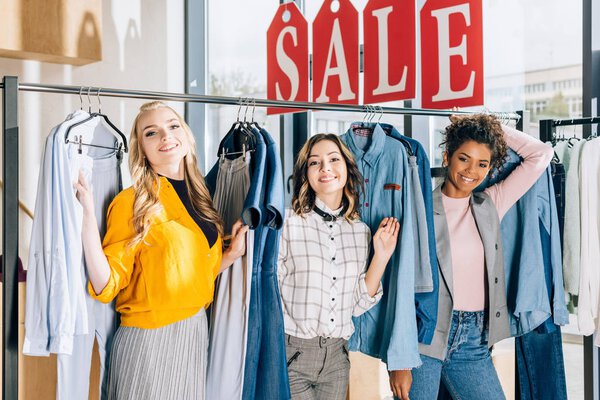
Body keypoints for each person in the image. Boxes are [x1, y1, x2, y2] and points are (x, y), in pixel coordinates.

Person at [75, 101, 248, 399]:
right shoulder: (133, 201)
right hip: (148, 342)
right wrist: (87, 216)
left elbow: (191, 274)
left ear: (186, 135)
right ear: (141, 148)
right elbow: (106, 283)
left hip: (194, 332)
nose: (165, 136)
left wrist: (228, 256)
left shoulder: (202, 199)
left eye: (172, 126)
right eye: (151, 133)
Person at [395, 114, 553, 400]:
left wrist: (488, 125)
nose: (471, 171)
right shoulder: (420, 209)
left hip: (473, 339)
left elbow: (541, 154)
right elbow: (401, 285)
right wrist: (399, 359)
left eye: (483, 163)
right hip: (423, 340)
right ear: (447, 156)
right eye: (464, 158)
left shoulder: (490, 204)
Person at [278, 133, 400, 400]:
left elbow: (356, 306)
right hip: (292, 356)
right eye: (315, 162)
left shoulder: (360, 232)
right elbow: (270, 292)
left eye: (334, 159)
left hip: (337, 358)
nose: (325, 168)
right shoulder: (288, 224)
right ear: (305, 173)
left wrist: (381, 256)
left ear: (347, 167)